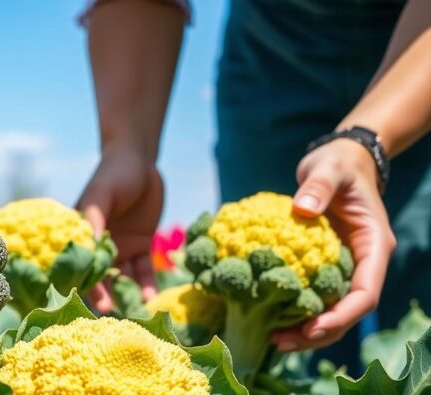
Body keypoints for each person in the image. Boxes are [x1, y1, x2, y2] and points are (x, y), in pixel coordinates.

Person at [77, 0, 431, 372]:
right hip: (270, 53)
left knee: (418, 304)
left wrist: (366, 140)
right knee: (289, 353)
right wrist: (127, 146)